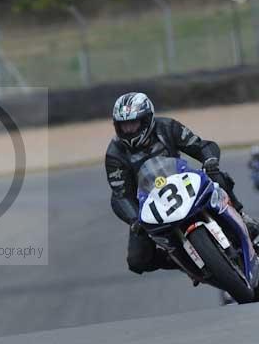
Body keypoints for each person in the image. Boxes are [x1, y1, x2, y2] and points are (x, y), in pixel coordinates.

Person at [105, 92, 259, 274]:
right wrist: (134, 219)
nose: (129, 130)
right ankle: (181, 259)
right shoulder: (115, 153)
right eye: (124, 126)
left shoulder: (167, 127)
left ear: (147, 120)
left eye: (133, 123)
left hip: (184, 184)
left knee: (218, 176)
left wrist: (209, 161)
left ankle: (242, 217)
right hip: (149, 206)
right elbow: (120, 195)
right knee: (137, 260)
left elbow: (202, 146)